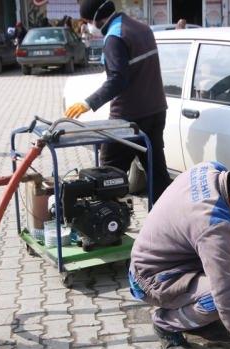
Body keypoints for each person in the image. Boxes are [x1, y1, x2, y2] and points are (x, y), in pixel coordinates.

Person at [128, 161, 230, 349]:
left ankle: (199, 321)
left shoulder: (210, 169)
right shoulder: (214, 227)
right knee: (217, 299)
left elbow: (194, 226)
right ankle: (166, 324)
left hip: (171, 258)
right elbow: (227, 293)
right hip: (151, 278)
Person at [64, 0, 171, 201]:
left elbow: (117, 80)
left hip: (129, 119)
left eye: (87, 21)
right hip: (156, 111)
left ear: (96, 17)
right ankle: (166, 223)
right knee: (157, 171)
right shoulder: (141, 28)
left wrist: (87, 103)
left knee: (108, 173)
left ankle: (106, 221)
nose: (87, 25)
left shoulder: (115, 37)